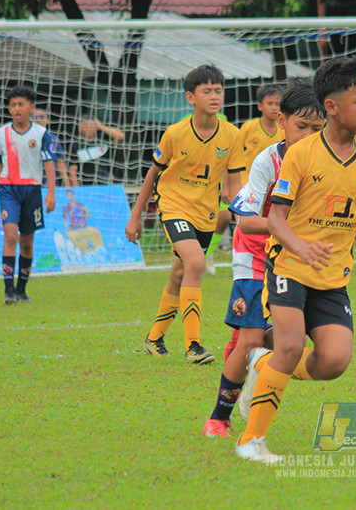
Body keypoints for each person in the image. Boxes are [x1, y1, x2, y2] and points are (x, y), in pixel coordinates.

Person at [234, 54, 356, 464]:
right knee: (289, 345)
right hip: (288, 266)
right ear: (332, 106)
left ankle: (262, 365)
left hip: (333, 277)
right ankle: (251, 440)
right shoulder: (301, 155)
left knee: (334, 362)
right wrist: (300, 246)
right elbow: (277, 218)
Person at [202, 79, 327, 439]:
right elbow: (246, 220)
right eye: (301, 126)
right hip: (255, 256)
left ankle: (256, 362)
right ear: (282, 120)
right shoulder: (267, 161)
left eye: (317, 128)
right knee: (251, 338)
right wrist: (288, 232)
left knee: (291, 340)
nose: (308, 135)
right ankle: (219, 418)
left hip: (299, 258)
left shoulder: (325, 161)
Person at [125, 64, 245, 364]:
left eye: (218, 90)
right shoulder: (175, 134)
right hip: (173, 207)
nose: (215, 96)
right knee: (196, 262)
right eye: (207, 91)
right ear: (191, 97)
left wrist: (243, 217)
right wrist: (136, 216)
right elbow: (153, 175)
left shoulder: (232, 135)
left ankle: (154, 338)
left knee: (180, 273)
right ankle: (194, 346)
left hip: (205, 214)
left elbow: (236, 181)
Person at [221, 83, 285, 355]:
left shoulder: (307, 153)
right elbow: (232, 155)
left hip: (282, 244)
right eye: (270, 103)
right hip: (252, 197)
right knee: (250, 335)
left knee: (274, 330)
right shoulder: (251, 133)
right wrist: (229, 184)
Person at [0, 85, 58, 304]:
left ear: (31, 108)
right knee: (10, 236)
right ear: (9, 109)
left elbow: (49, 164)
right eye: (13, 105)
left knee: (27, 242)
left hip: (32, 191)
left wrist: (51, 193)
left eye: (21, 104)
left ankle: (21, 290)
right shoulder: (1, 134)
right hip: (9, 190)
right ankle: (8, 290)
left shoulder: (41, 134)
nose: (17, 108)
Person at [71, 115, 126, 186]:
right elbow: (72, 170)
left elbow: (121, 136)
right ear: (79, 127)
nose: (88, 129)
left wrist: (101, 127)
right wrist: (76, 189)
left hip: (106, 182)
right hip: (85, 185)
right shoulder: (75, 145)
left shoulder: (103, 138)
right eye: (85, 126)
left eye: (91, 126)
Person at [33, 107, 73, 187]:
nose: (38, 120)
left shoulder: (53, 139)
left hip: (50, 183)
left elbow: (60, 161)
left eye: (41, 117)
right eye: (35, 117)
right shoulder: (25, 137)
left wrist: (67, 183)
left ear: (47, 120)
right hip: (30, 182)